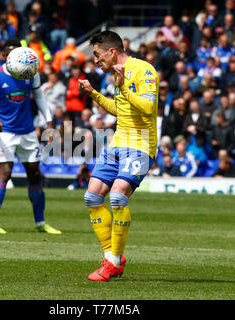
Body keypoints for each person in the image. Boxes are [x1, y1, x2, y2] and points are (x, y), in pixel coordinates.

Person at [78, 31, 158, 281]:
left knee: (117, 196)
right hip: (117, 143)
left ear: (111, 52)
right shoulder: (116, 76)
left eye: (97, 55)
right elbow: (120, 109)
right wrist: (94, 94)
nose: (95, 61)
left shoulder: (144, 70)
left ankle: (113, 263)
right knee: (92, 197)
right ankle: (111, 254)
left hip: (141, 145)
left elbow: (148, 107)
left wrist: (125, 86)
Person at [0, 39, 61, 235]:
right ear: (3, 56)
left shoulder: (30, 72)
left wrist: (48, 121)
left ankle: (40, 222)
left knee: (34, 175)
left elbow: (40, 97)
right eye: (9, 54)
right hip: (5, 132)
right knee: (5, 173)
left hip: (28, 132)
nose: (14, 57)